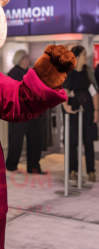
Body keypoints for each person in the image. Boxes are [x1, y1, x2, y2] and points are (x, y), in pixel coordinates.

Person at [5, 50, 48, 175]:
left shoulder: (26, 72)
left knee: (35, 139)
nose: (29, 60)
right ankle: (12, 165)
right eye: (27, 58)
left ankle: (33, 167)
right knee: (17, 140)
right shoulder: (15, 72)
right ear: (21, 59)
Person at [62, 46, 98, 183]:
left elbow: (94, 92)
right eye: (84, 54)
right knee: (72, 142)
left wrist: (96, 110)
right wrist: (66, 106)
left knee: (88, 140)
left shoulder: (88, 71)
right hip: (74, 112)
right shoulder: (69, 73)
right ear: (77, 56)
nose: (86, 56)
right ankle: (73, 170)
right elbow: (64, 91)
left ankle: (91, 171)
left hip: (88, 112)